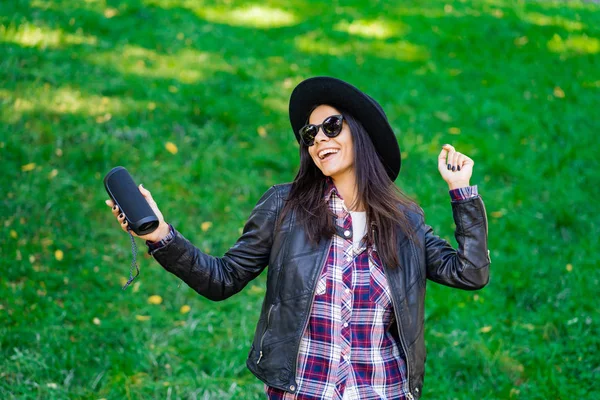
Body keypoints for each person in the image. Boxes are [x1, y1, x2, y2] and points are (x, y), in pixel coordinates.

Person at [106, 77, 490, 400]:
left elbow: (470, 272)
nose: (319, 138)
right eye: (310, 133)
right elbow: (221, 279)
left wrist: (462, 193)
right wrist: (159, 233)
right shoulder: (283, 207)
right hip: (304, 390)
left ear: (363, 132)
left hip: (382, 390)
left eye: (332, 126)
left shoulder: (404, 222)